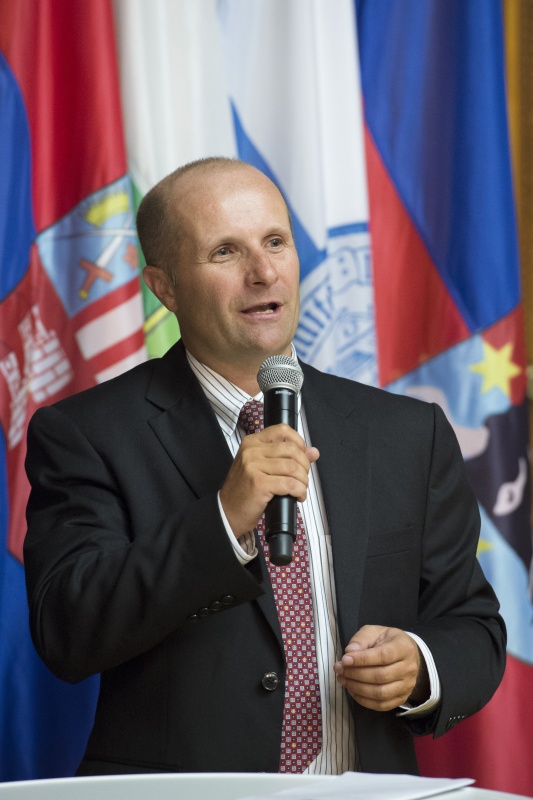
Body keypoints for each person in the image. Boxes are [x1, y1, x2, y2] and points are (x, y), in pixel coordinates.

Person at [24, 157, 505, 777]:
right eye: (225, 252)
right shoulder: (86, 434)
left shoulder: (408, 432)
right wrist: (222, 521)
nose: (263, 272)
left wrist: (420, 664)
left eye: (275, 242)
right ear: (163, 287)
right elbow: (67, 631)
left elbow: (473, 625)